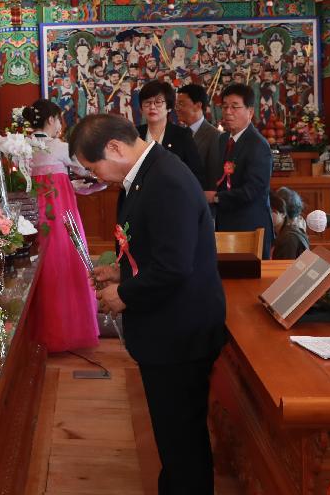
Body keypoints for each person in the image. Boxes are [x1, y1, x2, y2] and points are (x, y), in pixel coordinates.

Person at [70, 113, 225, 494]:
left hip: (180, 331)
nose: (97, 177)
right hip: (167, 328)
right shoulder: (145, 175)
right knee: (172, 437)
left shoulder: (167, 181)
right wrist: (121, 273)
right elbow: (153, 248)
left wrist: (122, 296)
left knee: (182, 438)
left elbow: (174, 267)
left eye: (94, 167)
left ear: (115, 148)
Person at [23, 100, 100, 353]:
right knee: (66, 263)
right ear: (52, 119)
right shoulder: (59, 146)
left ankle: (35, 334)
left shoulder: (21, 146)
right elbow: (88, 170)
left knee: (37, 267)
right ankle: (66, 331)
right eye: (58, 119)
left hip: (30, 216)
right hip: (60, 215)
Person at [205, 83, 275, 258]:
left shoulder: (258, 145)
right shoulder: (223, 140)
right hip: (225, 223)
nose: (228, 112)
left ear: (250, 112)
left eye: (235, 107)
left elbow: (253, 190)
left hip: (250, 226)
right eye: (225, 107)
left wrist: (216, 197)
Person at [136, 80, 203, 184]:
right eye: (147, 102)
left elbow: (196, 174)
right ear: (141, 109)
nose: (152, 107)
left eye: (158, 102)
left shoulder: (182, 136)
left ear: (169, 107)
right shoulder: (134, 135)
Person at [176, 83, 220, 189]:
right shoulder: (179, 134)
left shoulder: (215, 136)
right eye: (177, 104)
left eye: (181, 104)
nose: (177, 108)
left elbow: (214, 177)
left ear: (198, 106)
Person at [270, 188, 308, 260]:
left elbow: (284, 268)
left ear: (283, 213)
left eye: (272, 210)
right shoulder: (290, 232)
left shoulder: (289, 238)